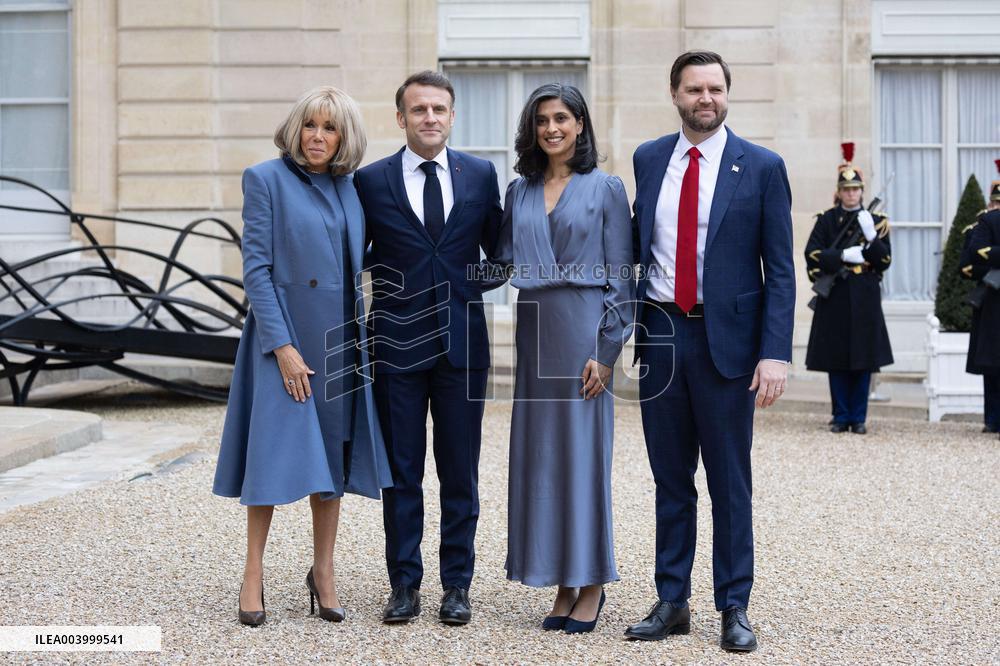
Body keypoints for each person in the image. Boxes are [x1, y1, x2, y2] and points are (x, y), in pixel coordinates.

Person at [625, 51, 795, 652]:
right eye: (695, 88)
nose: (706, 99)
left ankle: (734, 605)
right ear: (674, 93)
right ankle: (672, 600)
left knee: (729, 481)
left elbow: (781, 270)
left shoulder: (763, 167)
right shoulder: (649, 159)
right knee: (670, 479)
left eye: (716, 89)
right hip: (664, 336)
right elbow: (635, 251)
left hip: (730, 347)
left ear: (727, 94)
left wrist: (774, 353)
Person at [213, 86, 393, 626]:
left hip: (340, 341)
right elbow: (256, 269)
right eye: (310, 125)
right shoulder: (264, 179)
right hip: (284, 341)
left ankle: (324, 571)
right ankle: (252, 572)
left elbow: (358, 259)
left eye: (330, 128)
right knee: (272, 456)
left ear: (344, 137)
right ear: (296, 129)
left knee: (333, 463)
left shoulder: (349, 188)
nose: (318, 136)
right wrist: (283, 347)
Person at [353, 71, 505, 626]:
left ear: (453, 115)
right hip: (394, 345)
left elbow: (502, 252)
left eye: (439, 109)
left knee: (460, 472)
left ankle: (457, 586)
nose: (430, 118)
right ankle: (404, 584)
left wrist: (465, 285)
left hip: (462, 346)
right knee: (401, 470)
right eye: (419, 110)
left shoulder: (480, 175)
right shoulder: (370, 182)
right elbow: (355, 253)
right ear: (401, 118)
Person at [492, 84, 634, 634]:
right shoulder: (519, 192)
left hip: (583, 335)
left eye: (562, 118)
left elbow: (623, 277)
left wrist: (606, 352)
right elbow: (500, 260)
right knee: (542, 458)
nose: (552, 128)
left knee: (583, 458)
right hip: (533, 329)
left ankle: (592, 580)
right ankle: (561, 580)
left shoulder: (606, 188)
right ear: (532, 130)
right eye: (542, 120)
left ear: (580, 125)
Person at [804, 144, 893, 434]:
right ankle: (841, 415)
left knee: (863, 358)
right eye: (847, 189)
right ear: (839, 191)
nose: (851, 194)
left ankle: (859, 417)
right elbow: (813, 254)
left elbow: (884, 261)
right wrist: (842, 256)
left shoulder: (877, 222)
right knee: (837, 357)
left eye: (856, 189)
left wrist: (871, 237)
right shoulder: (827, 220)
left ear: (862, 191)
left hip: (865, 293)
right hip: (837, 293)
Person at [960, 160, 1000, 437]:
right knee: (991, 364)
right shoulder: (984, 224)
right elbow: (972, 260)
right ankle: (992, 418)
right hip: (992, 300)